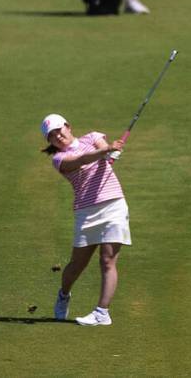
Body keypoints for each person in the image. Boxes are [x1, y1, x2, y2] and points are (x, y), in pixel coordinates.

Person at [40, 113, 129, 326]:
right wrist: (106, 151)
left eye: (59, 130)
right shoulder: (59, 160)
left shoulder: (93, 138)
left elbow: (102, 148)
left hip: (114, 204)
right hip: (87, 212)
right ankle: (64, 294)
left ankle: (102, 312)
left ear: (68, 127)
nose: (58, 136)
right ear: (50, 142)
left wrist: (110, 152)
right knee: (76, 266)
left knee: (107, 260)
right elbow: (81, 160)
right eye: (52, 136)